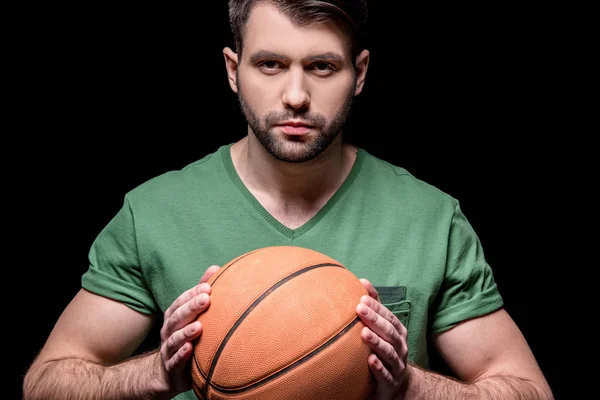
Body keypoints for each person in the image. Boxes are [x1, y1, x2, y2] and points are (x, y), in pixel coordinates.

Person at [22, 1, 554, 399]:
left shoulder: (430, 219)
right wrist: (159, 372)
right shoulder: (154, 213)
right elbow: (45, 382)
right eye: (270, 64)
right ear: (233, 70)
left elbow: (529, 389)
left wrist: (411, 385)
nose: (296, 95)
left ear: (359, 74)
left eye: (322, 66)